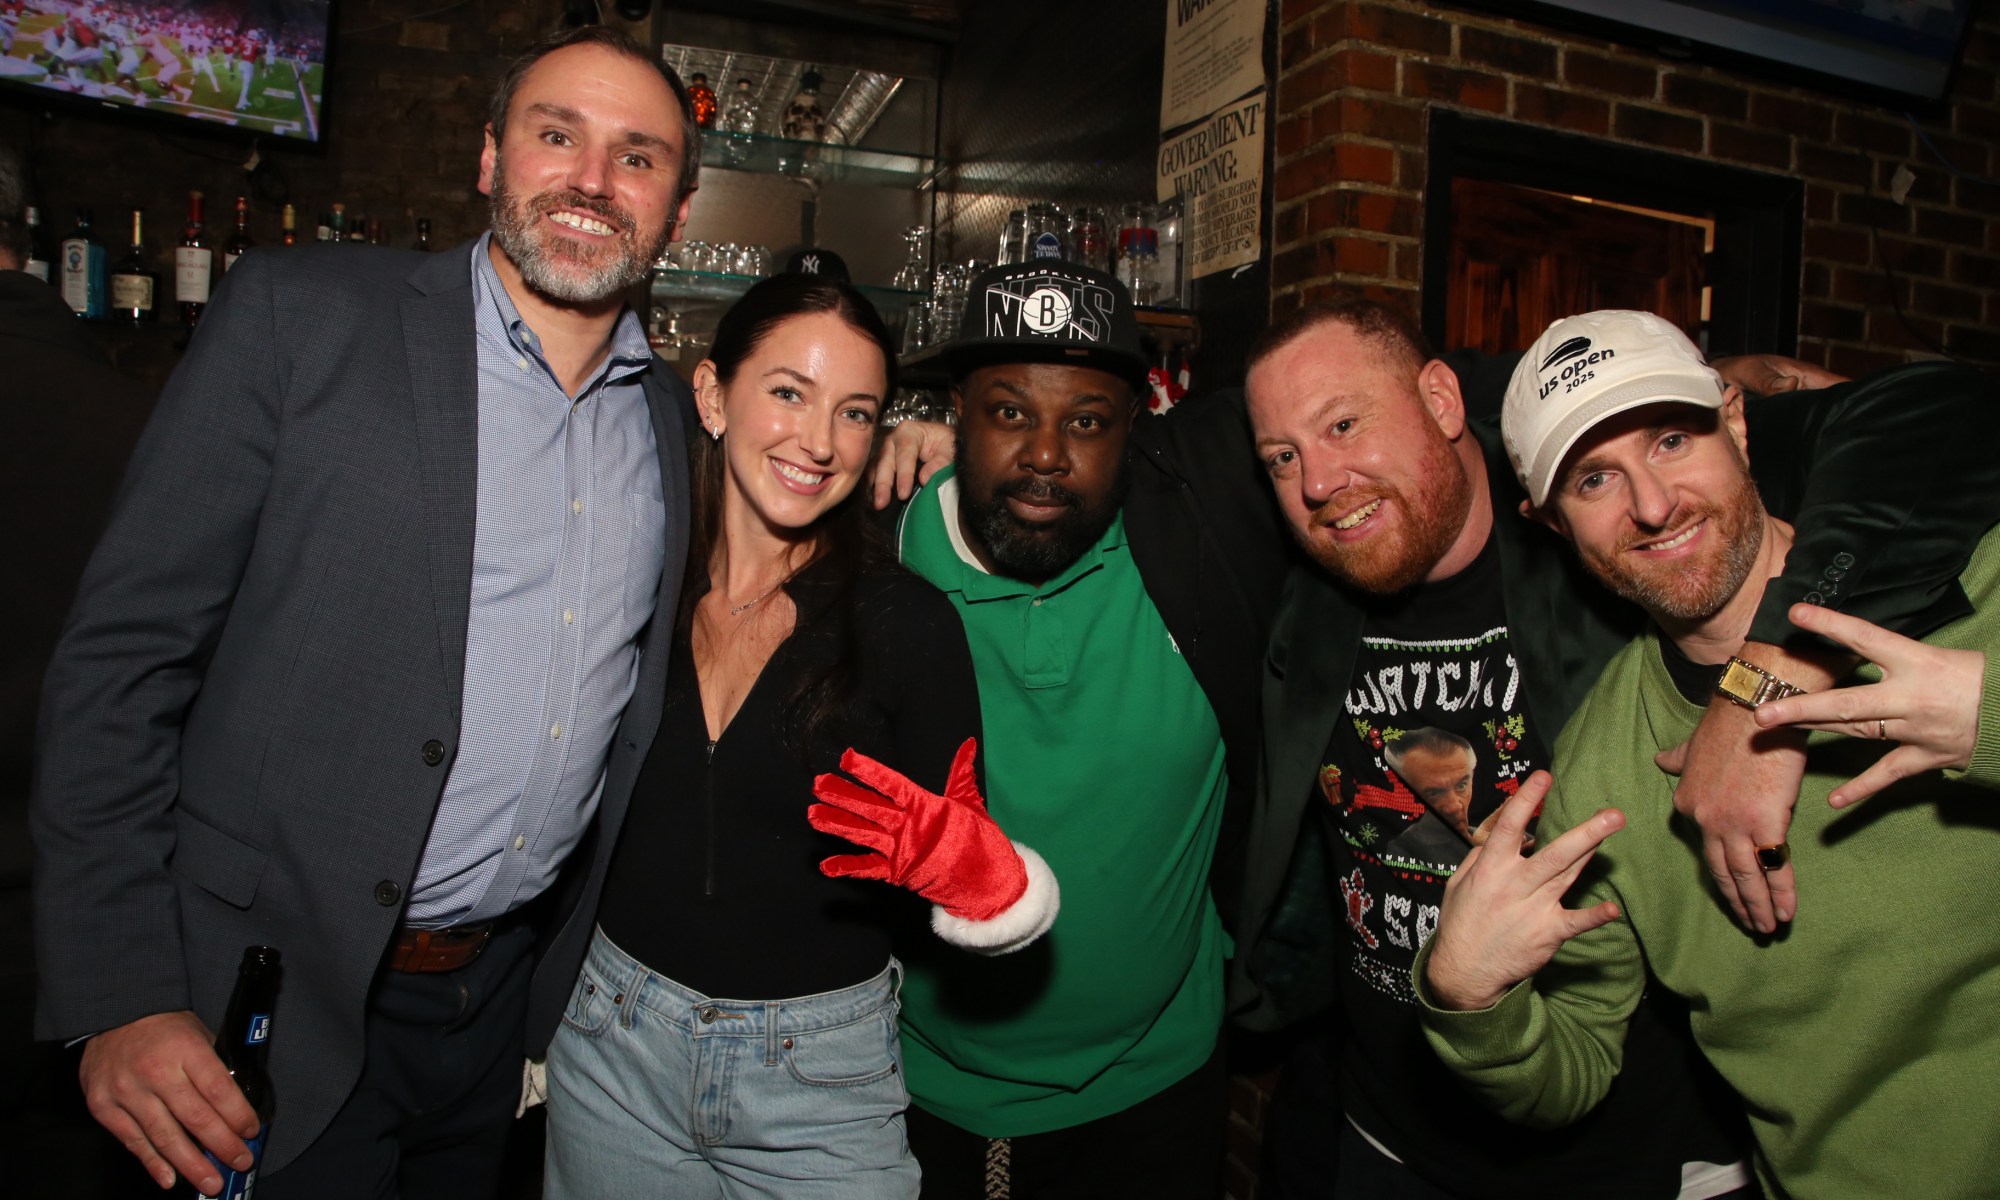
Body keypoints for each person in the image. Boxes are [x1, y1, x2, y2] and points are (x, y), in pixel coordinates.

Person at [32, 25, 701, 1198]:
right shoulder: (300, 317)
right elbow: (122, 664)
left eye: (637, 157)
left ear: (677, 214)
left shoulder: (666, 418)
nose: (593, 181)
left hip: (494, 1013)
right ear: (489, 158)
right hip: (259, 1003)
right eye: (557, 136)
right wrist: (121, 989)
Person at [1231, 299, 2000, 1197]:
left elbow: (1937, 409)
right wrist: (1466, 995)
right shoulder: (1601, 764)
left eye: (1672, 440)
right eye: (1593, 479)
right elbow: (1574, 1045)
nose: (1652, 503)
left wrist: (1960, 712)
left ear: (1739, 426)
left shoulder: (1957, 581)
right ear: (1553, 522)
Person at [541, 273, 1058, 1198]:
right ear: (712, 396)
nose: (820, 443)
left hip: (817, 1078)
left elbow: (969, 871)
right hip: (612, 1044)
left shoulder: (907, 624)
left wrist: (983, 883)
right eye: (789, 391)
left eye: (855, 413)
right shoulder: (635, 577)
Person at [883, 259, 1290, 1198]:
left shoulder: (1202, 543)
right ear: (956, 413)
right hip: (926, 1093)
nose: (1045, 454)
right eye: (1009, 412)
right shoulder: (879, 550)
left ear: (1135, 428)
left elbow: (1380, 402)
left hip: (1162, 1090)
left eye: (1088, 422)